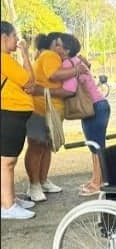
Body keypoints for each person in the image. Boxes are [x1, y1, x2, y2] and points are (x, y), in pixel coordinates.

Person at [24, 32, 88, 202]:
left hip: (51, 110)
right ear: (51, 45)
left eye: (63, 46)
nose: (60, 49)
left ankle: (43, 181)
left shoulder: (54, 57)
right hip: (41, 108)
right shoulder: (49, 55)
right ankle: (34, 185)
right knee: (37, 146)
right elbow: (54, 75)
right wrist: (76, 69)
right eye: (57, 45)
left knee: (46, 146)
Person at [59, 33, 111, 196]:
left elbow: (69, 89)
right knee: (95, 146)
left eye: (59, 45)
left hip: (94, 107)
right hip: (98, 106)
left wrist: (46, 91)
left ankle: (98, 182)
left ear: (66, 50)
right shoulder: (78, 61)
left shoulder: (69, 64)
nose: (56, 48)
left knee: (96, 147)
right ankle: (96, 178)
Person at [1, 21, 36, 219]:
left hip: (13, 113)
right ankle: (7, 205)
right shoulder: (4, 59)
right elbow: (29, 81)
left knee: (7, 161)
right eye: (14, 36)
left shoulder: (6, 59)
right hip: (9, 113)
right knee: (7, 161)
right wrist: (25, 54)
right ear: (4, 37)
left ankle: (9, 198)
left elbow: (28, 84)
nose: (17, 40)